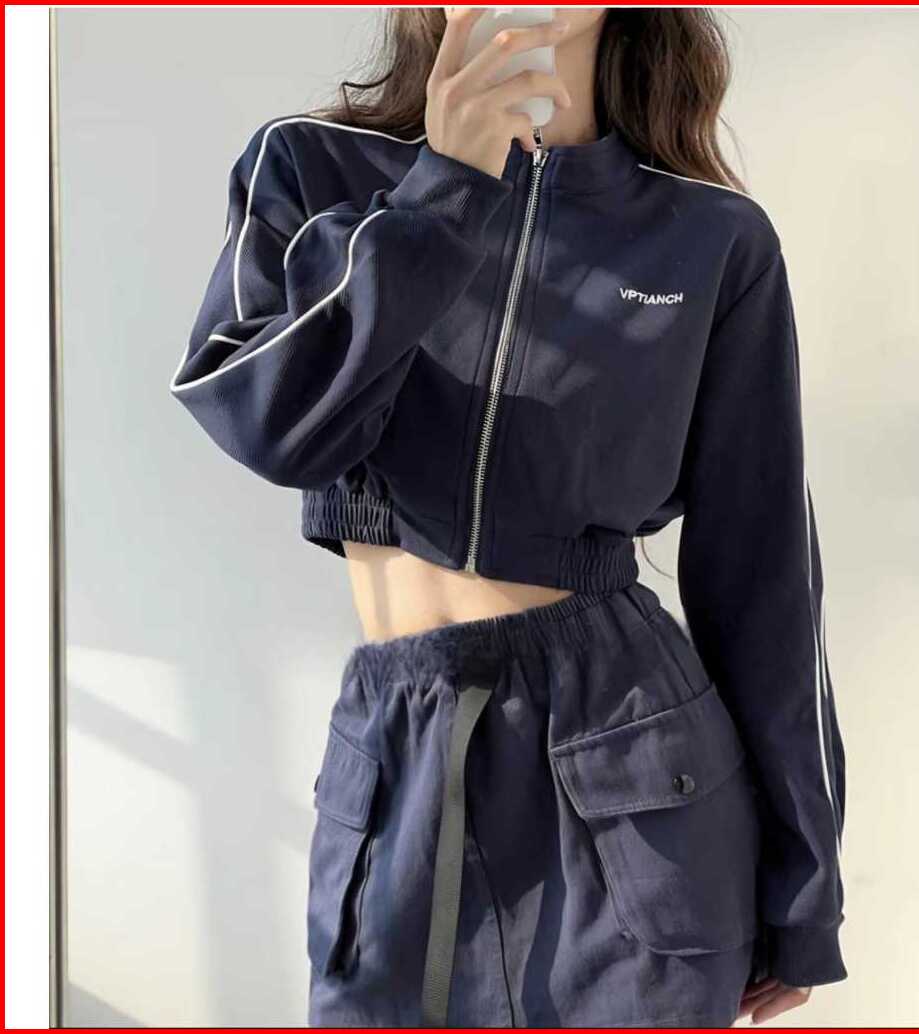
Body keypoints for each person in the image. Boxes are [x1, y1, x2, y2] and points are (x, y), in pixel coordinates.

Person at [169, 7, 847, 1028]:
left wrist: (804, 889)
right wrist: (441, 193)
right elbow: (267, 421)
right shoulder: (312, 170)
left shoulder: (712, 238)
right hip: (395, 760)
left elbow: (762, 571)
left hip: (630, 772)